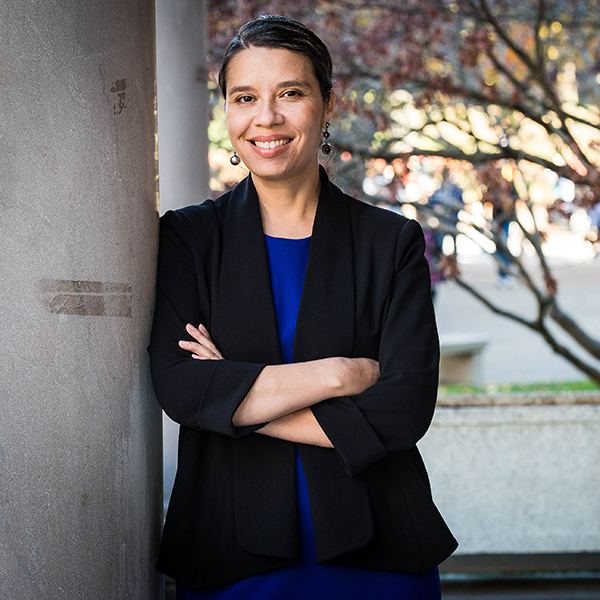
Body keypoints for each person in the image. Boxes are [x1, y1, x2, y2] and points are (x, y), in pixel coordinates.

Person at [149, 15, 457, 599]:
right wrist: (338, 375)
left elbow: (404, 406)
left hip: (379, 555)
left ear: (327, 105)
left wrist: (235, 396)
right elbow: (182, 388)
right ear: (227, 112)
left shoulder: (390, 242)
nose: (266, 117)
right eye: (245, 98)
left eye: (290, 93)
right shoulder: (188, 240)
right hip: (231, 556)